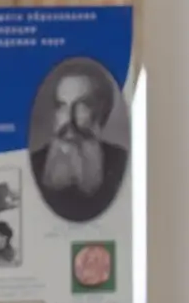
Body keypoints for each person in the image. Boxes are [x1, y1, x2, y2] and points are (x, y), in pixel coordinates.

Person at [30, 68, 128, 222]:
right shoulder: (35, 163)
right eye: (62, 106)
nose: (69, 119)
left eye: (82, 106)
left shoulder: (121, 161)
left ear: (102, 112)